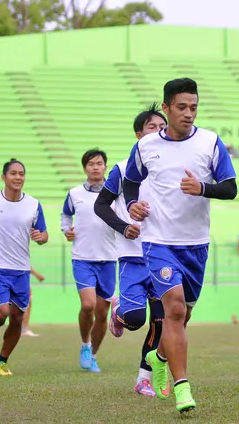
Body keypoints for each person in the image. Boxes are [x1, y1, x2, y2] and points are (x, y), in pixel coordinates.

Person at [122, 78, 238, 413]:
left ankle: (158, 356)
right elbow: (131, 181)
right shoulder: (146, 146)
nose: (189, 114)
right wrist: (132, 205)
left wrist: (202, 188)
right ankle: (182, 387)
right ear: (167, 107)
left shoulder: (210, 142)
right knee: (172, 309)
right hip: (158, 241)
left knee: (183, 315)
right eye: (182, 107)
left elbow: (230, 188)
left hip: (196, 245)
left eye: (194, 107)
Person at [93, 104, 168, 397]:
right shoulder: (123, 169)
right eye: (152, 127)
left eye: (163, 127)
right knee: (136, 319)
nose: (159, 131)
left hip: (164, 254)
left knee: (160, 321)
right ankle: (119, 310)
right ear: (139, 134)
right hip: (133, 256)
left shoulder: (171, 167)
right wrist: (124, 226)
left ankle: (143, 378)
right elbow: (101, 205)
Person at [0, 159, 48, 376]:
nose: (18, 177)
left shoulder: (33, 204)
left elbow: (44, 234)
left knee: (18, 318)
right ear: (4, 177)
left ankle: (2, 360)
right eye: (13, 173)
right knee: (1, 313)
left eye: (21, 173)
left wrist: (40, 237)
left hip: (21, 269)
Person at [61, 148, 117, 373]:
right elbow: (66, 215)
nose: (95, 167)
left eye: (99, 163)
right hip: (83, 258)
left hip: (108, 259)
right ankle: (85, 344)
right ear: (85, 168)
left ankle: (92, 355)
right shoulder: (75, 194)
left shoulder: (115, 193)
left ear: (105, 167)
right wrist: (67, 230)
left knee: (103, 313)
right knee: (88, 305)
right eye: (91, 164)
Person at [21, 267, 45, 337]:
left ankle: (19, 329)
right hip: (22, 283)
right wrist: (37, 275)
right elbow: (27, 266)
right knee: (27, 306)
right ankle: (24, 329)